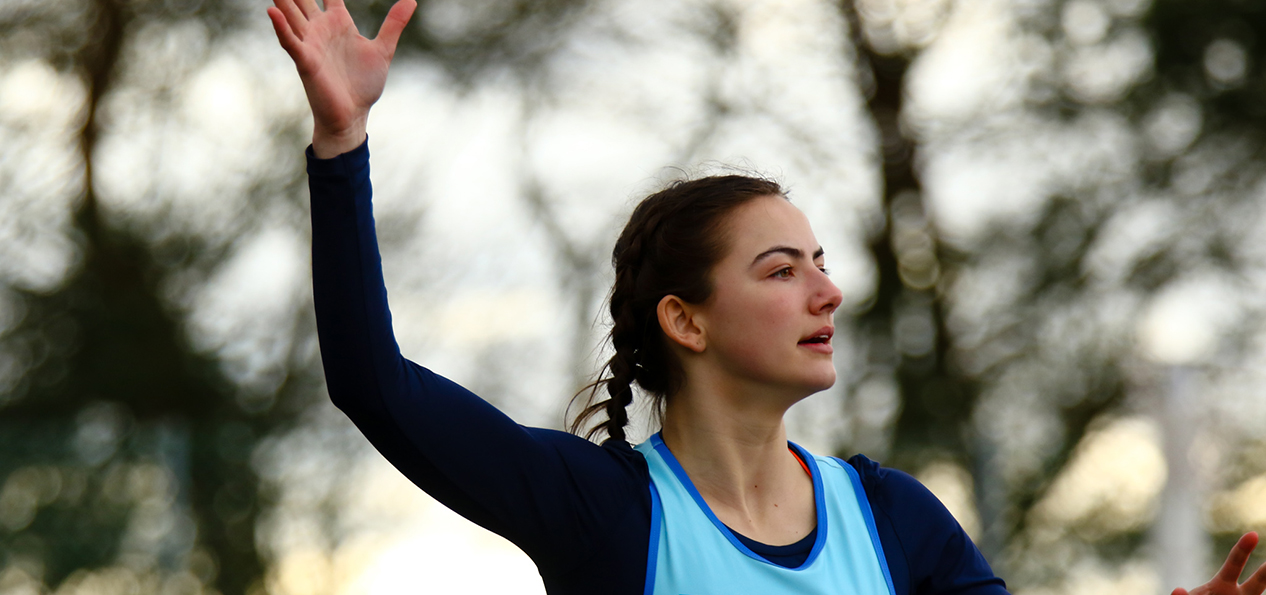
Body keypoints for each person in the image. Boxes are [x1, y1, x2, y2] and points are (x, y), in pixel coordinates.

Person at [266, 1, 1266, 593]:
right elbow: (373, 383)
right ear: (684, 319)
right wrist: (342, 145)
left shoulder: (894, 519)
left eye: (819, 261)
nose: (827, 291)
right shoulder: (604, 512)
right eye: (780, 269)